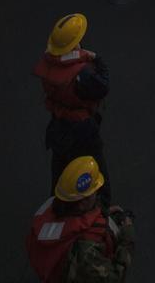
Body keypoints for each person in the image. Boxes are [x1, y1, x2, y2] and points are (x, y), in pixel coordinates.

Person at [33, 13, 112, 206]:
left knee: (60, 166)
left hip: (59, 125)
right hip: (82, 129)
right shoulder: (81, 74)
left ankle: (57, 203)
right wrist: (97, 60)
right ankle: (104, 206)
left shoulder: (49, 64)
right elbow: (102, 86)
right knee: (96, 166)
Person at [26, 154, 134, 281]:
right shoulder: (86, 250)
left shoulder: (50, 207)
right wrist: (127, 238)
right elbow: (114, 278)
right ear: (84, 202)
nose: (97, 194)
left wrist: (101, 214)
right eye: (95, 191)